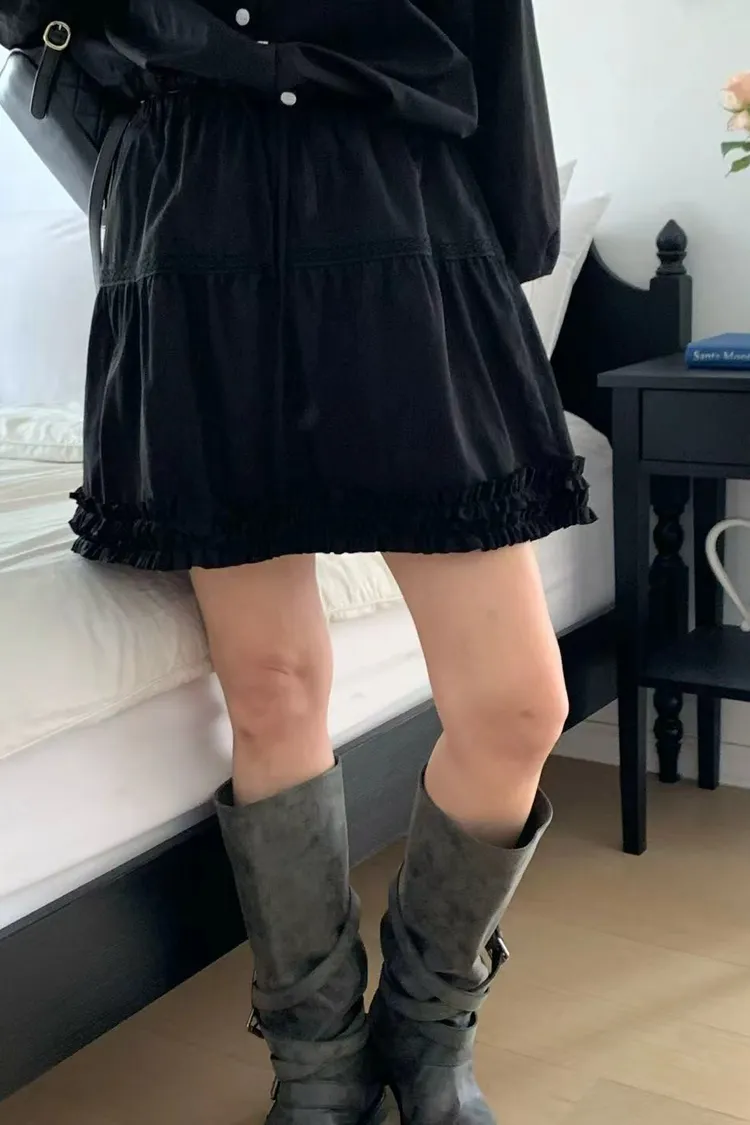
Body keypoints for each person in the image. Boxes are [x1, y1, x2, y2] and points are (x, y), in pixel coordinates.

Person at [1, 2, 594, 1122]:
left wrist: (509, 239)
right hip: (194, 219)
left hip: (400, 217)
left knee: (518, 705)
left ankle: (426, 1029)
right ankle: (316, 1062)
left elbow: (493, 37)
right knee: (270, 687)